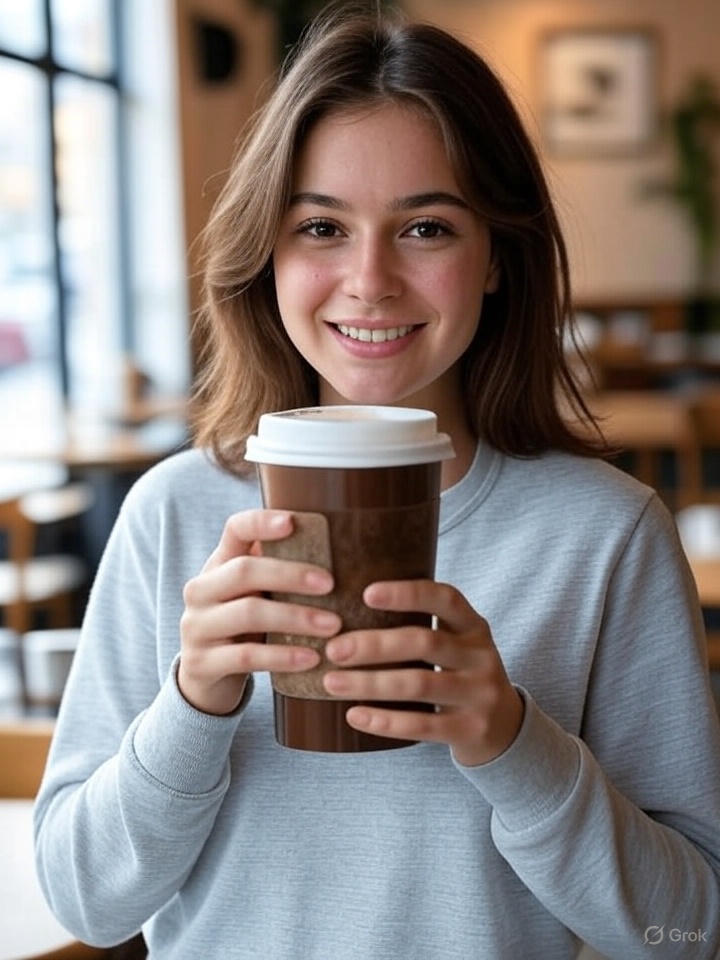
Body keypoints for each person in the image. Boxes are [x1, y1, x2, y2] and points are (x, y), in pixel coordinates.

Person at [34, 5, 720, 959]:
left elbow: (689, 931)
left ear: (495, 261)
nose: (369, 280)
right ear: (267, 254)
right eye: (321, 226)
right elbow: (84, 905)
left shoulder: (604, 536)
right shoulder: (170, 515)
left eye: (427, 228)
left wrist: (516, 745)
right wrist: (193, 702)